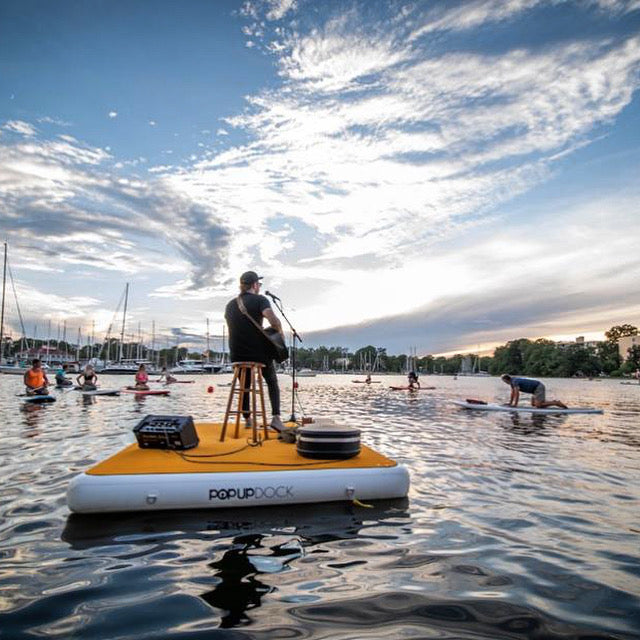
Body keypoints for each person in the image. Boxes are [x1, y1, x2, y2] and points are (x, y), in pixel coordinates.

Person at [224, 270, 285, 432]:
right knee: (271, 380)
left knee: (245, 384)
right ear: (254, 285)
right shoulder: (260, 300)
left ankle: (247, 418)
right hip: (258, 355)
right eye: (259, 284)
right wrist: (279, 334)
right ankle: (276, 418)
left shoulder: (230, 305)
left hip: (236, 355)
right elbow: (273, 320)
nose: (259, 287)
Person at [501, 374, 567, 409]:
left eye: (504, 381)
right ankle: (548, 403)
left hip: (538, 387)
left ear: (506, 380)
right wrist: (510, 403)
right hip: (534, 390)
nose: (504, 382)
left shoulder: (514, 381)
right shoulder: (512, 382)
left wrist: (515, 405)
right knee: (533, 404)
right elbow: (513, 393)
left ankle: (556, 403)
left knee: (538, 405)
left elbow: (517, 394)